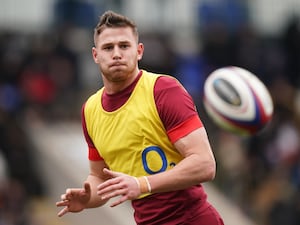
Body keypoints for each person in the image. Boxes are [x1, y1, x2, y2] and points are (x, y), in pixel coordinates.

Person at [56, 10, 224, 225]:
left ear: (139, 51)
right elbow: (99, 177)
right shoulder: (90, 109)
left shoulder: (163, 90)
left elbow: (204, 164)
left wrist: (142, 184)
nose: (116, 54)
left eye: (124, 46)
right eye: (108, 47)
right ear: (95, 55)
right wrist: (88, 198)